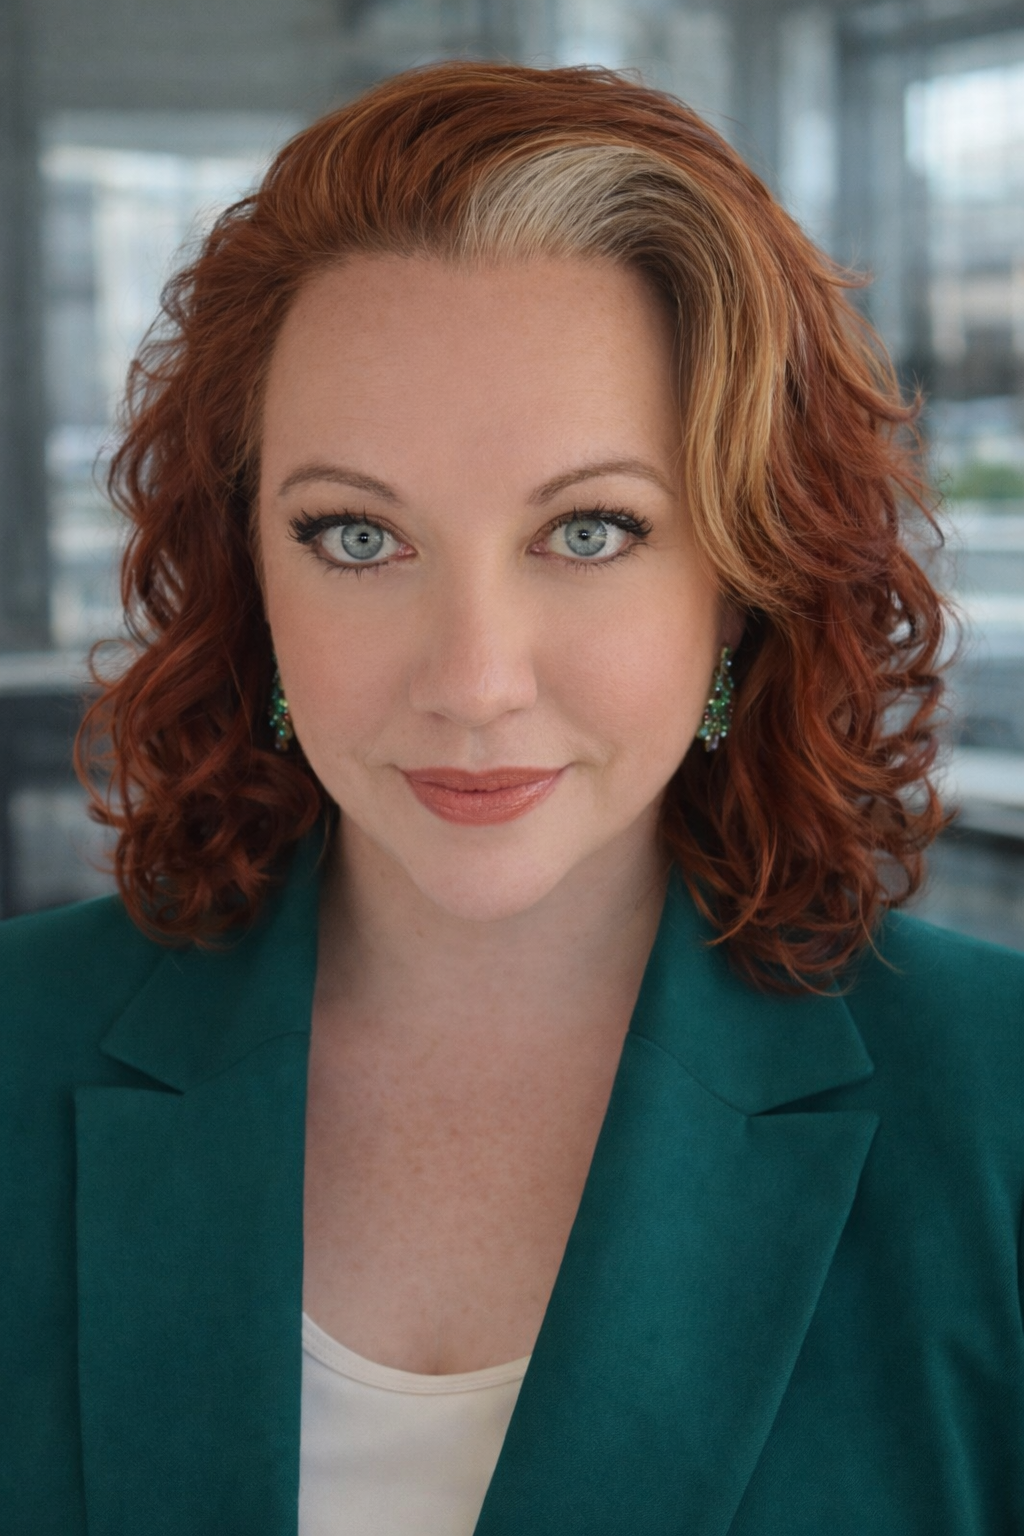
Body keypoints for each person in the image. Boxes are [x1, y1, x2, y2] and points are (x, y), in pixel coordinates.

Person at [2, 59, 1022, 1536]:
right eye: (357, 536)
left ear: (742, 586)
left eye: (591, 529)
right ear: (250, 577)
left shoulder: (995, 1116)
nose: (472, 680)